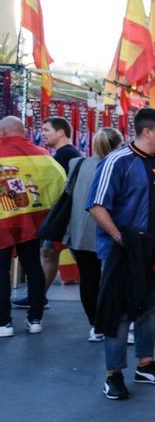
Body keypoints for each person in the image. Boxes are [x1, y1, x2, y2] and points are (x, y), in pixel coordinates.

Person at [88, 107, 155, 399]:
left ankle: (145, 363)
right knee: (119, 313)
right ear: (147, 132)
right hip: (123, 253)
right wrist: (120, 238)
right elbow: (96, 205)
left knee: (152, 308)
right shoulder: (116, 162)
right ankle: (113, 375)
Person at [0, 116, 65, 338]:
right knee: (33, 267)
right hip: (31, 221)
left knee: (1, 272)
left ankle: (4, 323)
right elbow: (59, 181)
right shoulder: (43, 156)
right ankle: (35, 319)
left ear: (4, 132)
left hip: (2, 222)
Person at [64, 127, 124, 341]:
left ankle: (95, 325)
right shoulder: (123, 164)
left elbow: (67, 193)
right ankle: (114, 322)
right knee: (113, 279)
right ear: (120, 143)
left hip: (81, 230)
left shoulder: (77, 164)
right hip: (112, 229)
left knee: (88, 278)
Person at [32, 116, 82, 296]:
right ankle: (37, 297)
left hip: (64, 216)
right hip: (63, 215)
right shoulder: (65, 154)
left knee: (49, 252)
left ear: (61, 132)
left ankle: (37, 298)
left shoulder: (66, 155)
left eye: (46, 130)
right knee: (49, 252)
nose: (42, 134)